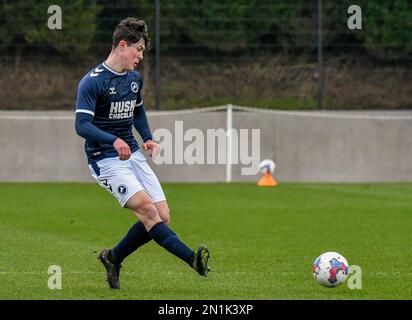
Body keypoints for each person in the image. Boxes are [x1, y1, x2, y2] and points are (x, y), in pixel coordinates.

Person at [74, 17, 211, 289]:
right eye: (138, 50)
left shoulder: (134, 79)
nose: (141, 56)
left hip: (133, 154)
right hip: (105, 159)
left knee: (162, 216)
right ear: (122, 45)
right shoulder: (92, 82)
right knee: (148, 211)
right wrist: (113, 140)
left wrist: (147, 138)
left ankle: (113, 257)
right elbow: (82, 125)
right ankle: (192, 259)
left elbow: (137, 110)